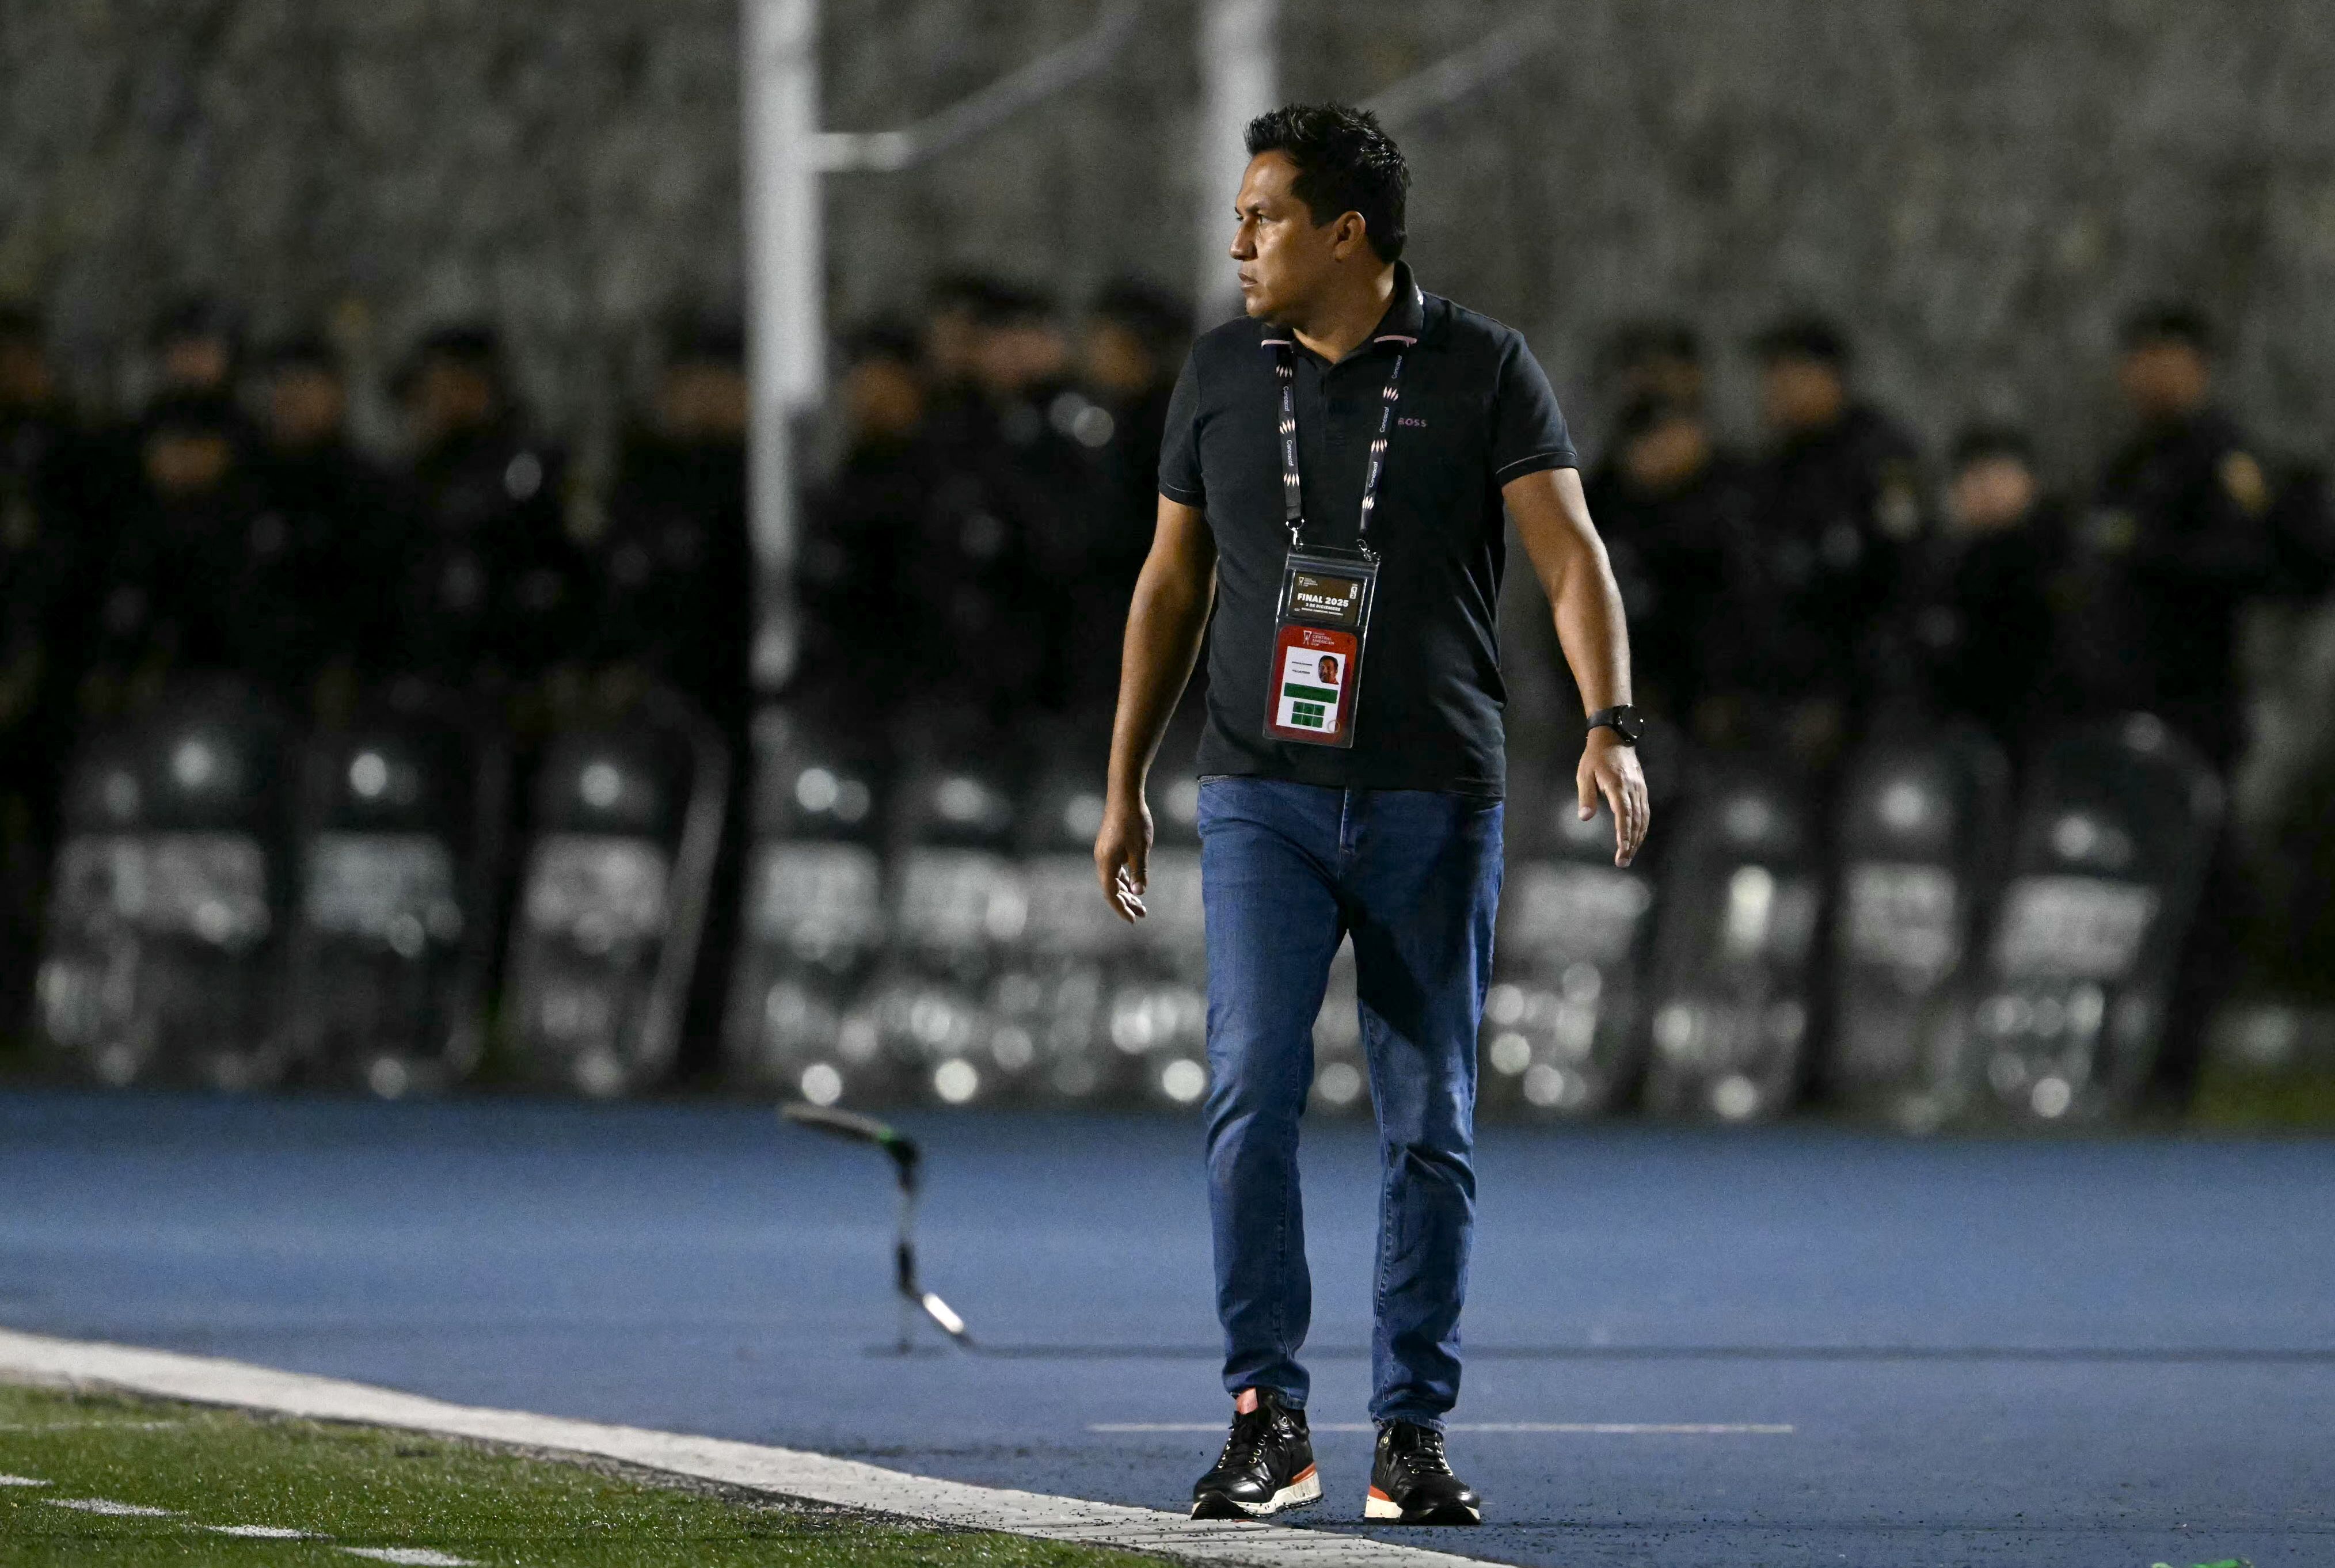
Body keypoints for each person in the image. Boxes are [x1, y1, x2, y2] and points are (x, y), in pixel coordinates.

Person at [1092, 102, 1648, 1527]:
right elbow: (1168, 586)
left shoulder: (1481, 368)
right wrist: (1125, 785)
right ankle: (1266, 1416)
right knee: (1248, 1098)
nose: (1238, 242)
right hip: (1263, 796)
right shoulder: (1218, 375)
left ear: (1345, 233)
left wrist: (1608, 723)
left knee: (1429, 1120)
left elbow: (1570, 558)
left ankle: (1411, 1429)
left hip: (1428, 794)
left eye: (1263, 216)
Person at [2058, 303, 2276, 1108]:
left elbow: (2251, 564)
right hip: (2119, 714)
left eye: (2163, 356)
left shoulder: (2221, 458)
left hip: (2194, 714)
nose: (2146, 373)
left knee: (2198, 888)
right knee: (2119, 885)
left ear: (2198, 365)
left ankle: (2173, 1067)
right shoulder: (2127, 462)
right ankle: (2108, 1055)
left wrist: (2150, 553)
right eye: (2136, 356)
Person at [1746, 315, 1924, 768]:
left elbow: (1901, 584)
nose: (1775, 392)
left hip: (1869, 699)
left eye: (1787, 376)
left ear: (1827, 378)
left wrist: (1841, 699)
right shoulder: (1774, 471)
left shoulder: (1878, 460)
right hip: (1785, 692)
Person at [386, 325, 584, 698]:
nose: (445, 400)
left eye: (459, 384)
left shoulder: (528, 471)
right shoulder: (413, 476)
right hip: (428, 675)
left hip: (511, 677)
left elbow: (557, 568)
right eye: (435, 388)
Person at [595, 317, 754, 737]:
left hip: (728, 685)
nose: (701, 400)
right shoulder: (644, 478)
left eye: (717, 383)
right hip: (652, 692)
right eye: (690, 384)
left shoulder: (759, 482)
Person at [1581, 392, 1763, 747]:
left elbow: (1744, 608)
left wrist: (1727, 691)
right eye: (1650, 441)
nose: (1664, 452)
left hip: (1732, 697)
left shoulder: (1731, 500)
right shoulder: (1605, 507)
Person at [248, 337, 401, 713]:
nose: (292, 399)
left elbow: (382, 590)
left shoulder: (369, 488)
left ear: (336, 394)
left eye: (306, 385)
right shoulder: (250, 485)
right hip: (255, 691)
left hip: (353, 693)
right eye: (282, 385)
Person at [1907, 426, 2065, 759]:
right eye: (1976, 478)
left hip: (2043, 736)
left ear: (2030, 484)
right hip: (1958, 740)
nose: (1990, 490)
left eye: (2002, 476)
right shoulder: (1940, 564)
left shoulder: (2058, 559)